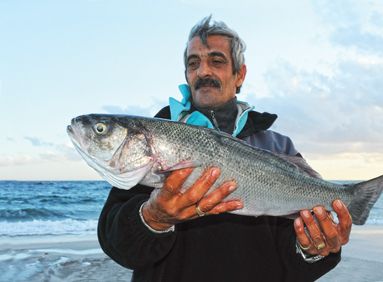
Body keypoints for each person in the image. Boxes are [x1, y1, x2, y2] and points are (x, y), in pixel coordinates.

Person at [98, 16, 352, 282]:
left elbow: (295, 259)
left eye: (217, 61)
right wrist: (153, 218)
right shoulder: (154, 142)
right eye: (193, 63)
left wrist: (313, 249)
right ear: (186, 75)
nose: (203, 71)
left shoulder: (279, 146)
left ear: (239, 75)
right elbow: (118, 245)